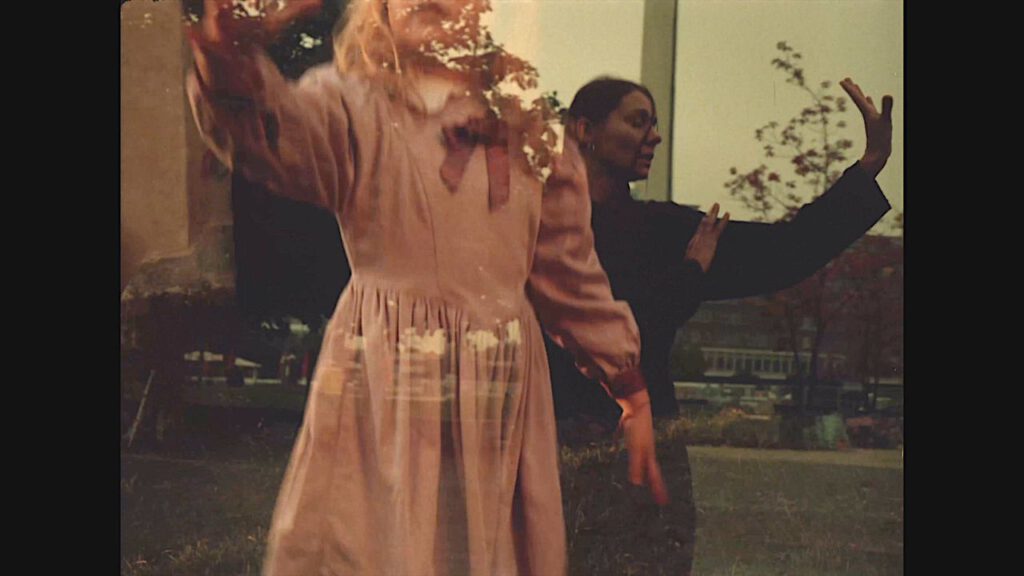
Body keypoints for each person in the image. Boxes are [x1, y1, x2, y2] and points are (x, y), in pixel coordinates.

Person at [185, 1, 668, 574]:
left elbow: (569, 272)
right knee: (380, 542)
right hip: (388, 376)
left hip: (495, 386)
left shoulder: (528, 128)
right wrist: (232, 56)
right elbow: (273, 135)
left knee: (479, 547)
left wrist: (628, 385)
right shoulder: (357, 103)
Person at [547, 75, 894, 573]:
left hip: (646, 465)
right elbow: (610, 332)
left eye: (655, 124)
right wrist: (689, 276)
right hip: (561, 455)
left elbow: (786, 251)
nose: (655, 136)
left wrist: (868, 166)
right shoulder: (536, 229)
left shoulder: (662, 231)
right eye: (638, 121)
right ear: (585, 130)